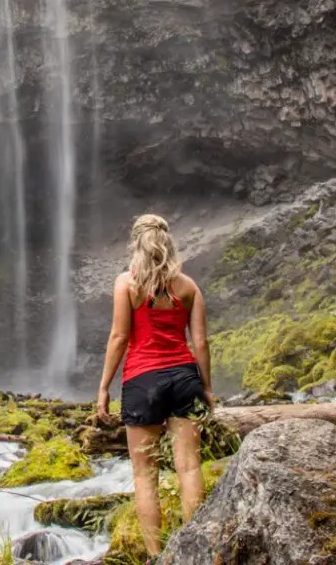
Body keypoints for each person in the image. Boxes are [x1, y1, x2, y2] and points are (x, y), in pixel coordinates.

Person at [95, 214, 213, 558]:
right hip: (184, 379)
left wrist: (104, 387)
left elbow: (119, 337)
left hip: (142, 381)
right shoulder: (188, 287)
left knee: (145, 477)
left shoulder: (126, 285)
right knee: (189, 467)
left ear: (136, 245)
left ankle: (154, 557)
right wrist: (206, 387)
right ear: (168, 245)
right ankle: (195, 552)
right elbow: (201, 342)